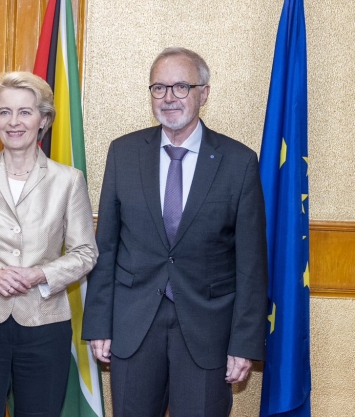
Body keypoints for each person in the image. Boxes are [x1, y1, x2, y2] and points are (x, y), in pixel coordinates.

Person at [82, 47, 268, 417]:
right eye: (159, 88)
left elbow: (251, 264)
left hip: (207, 331)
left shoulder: (239, 162)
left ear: (204, 93)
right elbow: (107, 247)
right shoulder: (124, 153)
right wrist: (99, 325)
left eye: (181, 87)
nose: (169, 97)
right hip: (134, 327)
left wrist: (244, 343)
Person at [0, 71, 98, 417]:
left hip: (45, 323)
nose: (14, 122)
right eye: (5, 112)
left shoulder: (68, 181)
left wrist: (41, 274)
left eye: (25, 112)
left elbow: (85, 253)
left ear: (43, 119)